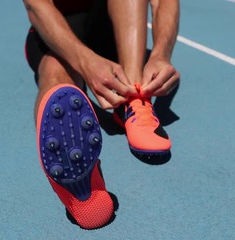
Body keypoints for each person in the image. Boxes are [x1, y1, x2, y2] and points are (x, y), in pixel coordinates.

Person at [22, 0, 180, 229]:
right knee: (57, 80)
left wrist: (160, 55)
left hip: (114, 26)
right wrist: (87, 63)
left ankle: (134, 97)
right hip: (56, 30)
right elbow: (37, 6)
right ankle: (78, 181)